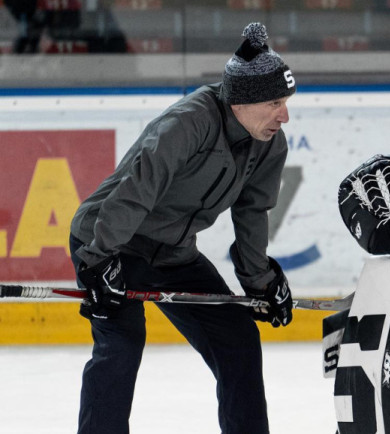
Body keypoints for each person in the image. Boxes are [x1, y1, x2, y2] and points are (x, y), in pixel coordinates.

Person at [69, 22, 296, 434]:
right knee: (121, 344)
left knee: (238, 340)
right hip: (111, 240)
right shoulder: (188, 124)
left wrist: (260, 282)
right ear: (241, 102)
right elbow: (136, 192)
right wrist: (99, 260)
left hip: (174, 254)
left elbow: (252, 213)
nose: (285, 115)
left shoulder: (269, 143)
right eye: (276, 102)